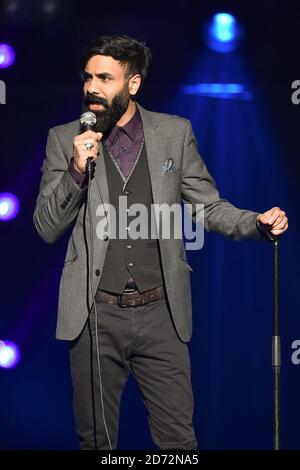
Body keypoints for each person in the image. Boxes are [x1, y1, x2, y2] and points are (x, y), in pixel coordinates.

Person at [33, 34, 288, 450]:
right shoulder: (64, 140)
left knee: (178, 443)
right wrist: (77, 171)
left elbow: (208, 207)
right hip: (95, 314)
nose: (91, 88)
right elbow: (46, 226)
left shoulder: (173, 133)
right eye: (87, 78)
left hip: (162, 314)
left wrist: (255, 223)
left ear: (132, 84)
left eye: (104, 78)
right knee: (96, 443)